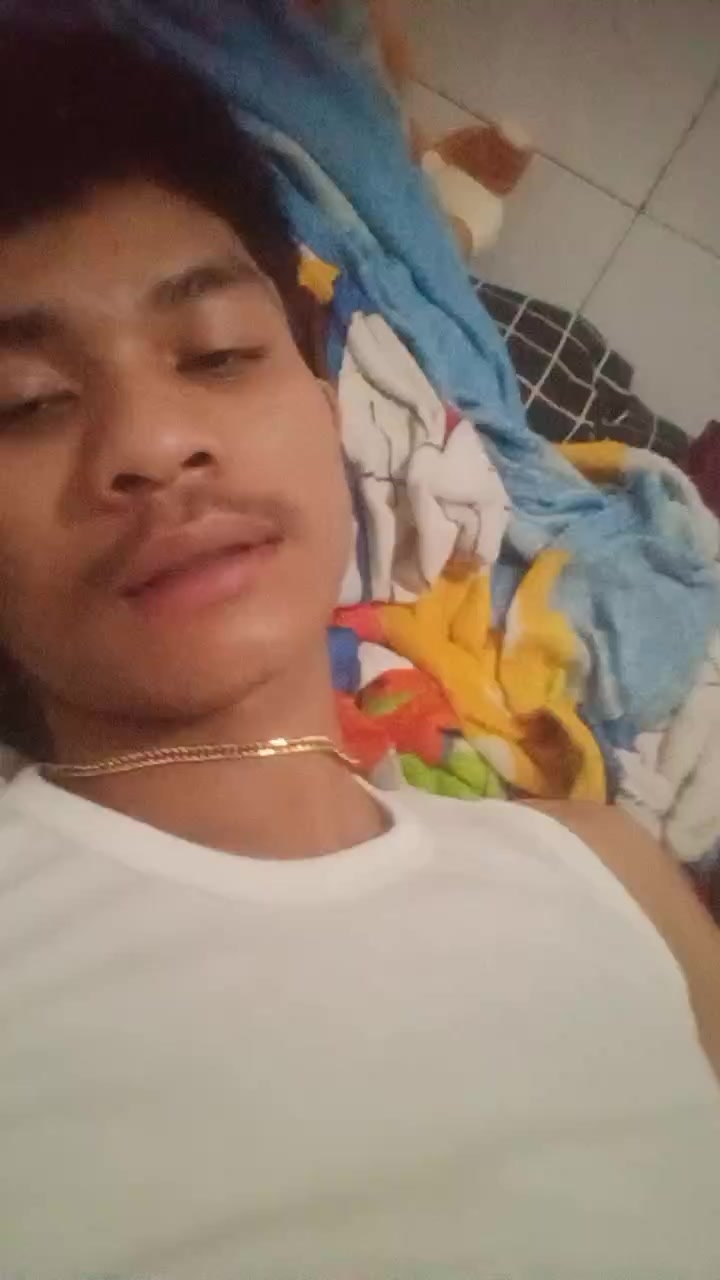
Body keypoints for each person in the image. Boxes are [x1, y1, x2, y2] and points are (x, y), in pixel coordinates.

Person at [0, 26, 718, 1280]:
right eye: (25, 404)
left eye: (219, 353)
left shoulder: (613, 870)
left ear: (328, 409)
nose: (156, 442)